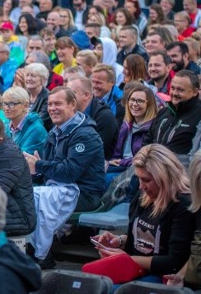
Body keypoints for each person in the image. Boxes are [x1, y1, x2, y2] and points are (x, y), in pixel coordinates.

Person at [24, 87, 105, 268]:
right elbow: (51, 168)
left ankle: (40, 255)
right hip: (60, 187)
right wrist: (37, 170)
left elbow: (69, 172)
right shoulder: (55, 131)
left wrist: (38, 166)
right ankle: (31, 249)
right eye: (50, 104)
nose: (52, 108)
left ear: (72, 105)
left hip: (85, 193)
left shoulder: (86, 135)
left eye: (58, 103)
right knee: (24, 193)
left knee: (35, 197)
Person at [92, 145, 194, 285]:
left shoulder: (182, 205)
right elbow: (141, 242)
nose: (141, 186)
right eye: (139, 179)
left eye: (146, 180)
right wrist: (118, 242)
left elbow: (174, 261)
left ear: (165, 178)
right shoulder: (143, 196)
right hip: (135, 270)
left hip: (164, 277)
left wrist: (127, 259)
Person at [143, 70, 201, 165]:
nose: (174, 93)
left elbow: (195, 156)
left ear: (195, 92)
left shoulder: (198, 116)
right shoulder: (164, 112)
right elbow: (147, 141)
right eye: (172, 88)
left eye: (180, 90)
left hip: (179, 174)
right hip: (152, 168)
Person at [67, 76, 120, 160]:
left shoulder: (105, 117)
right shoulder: (69, 112)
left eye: (72, 93)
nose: (67, 98)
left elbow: (92, 152)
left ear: (86, 95)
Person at [109, 85, 157, 176]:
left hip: (137, 171)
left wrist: (122, 162)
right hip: (118, 166)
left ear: (149, 104)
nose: (135, 104)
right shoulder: (126, 125)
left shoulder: (152, 128)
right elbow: (116, 153)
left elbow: (146, 159)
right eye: (132, 100)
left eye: (140, 101)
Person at [3, 87, 47, 155]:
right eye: (5, 104)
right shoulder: (6, 125)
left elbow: (21, 159)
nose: (6, 108)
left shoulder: (36, 130)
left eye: (12, 104)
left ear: (25, 105)